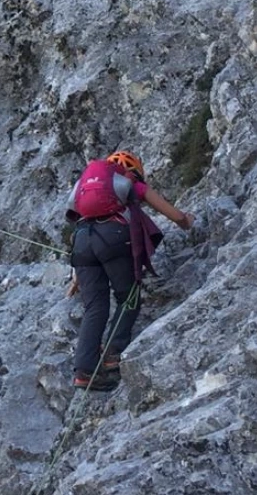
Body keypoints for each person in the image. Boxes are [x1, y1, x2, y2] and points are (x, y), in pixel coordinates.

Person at [65, 150, 193, 391]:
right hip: (114, 237)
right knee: (129, 296)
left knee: (95, 307)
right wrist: (188, 221)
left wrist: (76, 275)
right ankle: (113, 354)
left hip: (82, 242)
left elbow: (81, 224)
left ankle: (84, 371)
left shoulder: (86, 189)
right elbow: (174, 215)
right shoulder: (131, 183)